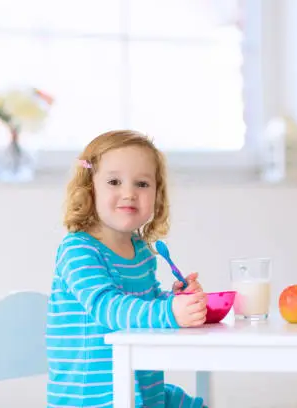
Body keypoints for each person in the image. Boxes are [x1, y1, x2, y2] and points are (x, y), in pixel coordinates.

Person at [46, 130, 208, 408]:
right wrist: (170, 313)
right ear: (89, 189)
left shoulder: (142, 251)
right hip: (94, 400)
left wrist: (174, 301)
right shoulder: (78, 250)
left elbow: (144, 308)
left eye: (142, 184)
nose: (129, 193)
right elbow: (107, 307)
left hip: (141, 392)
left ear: (157, 195)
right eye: (114, 181)